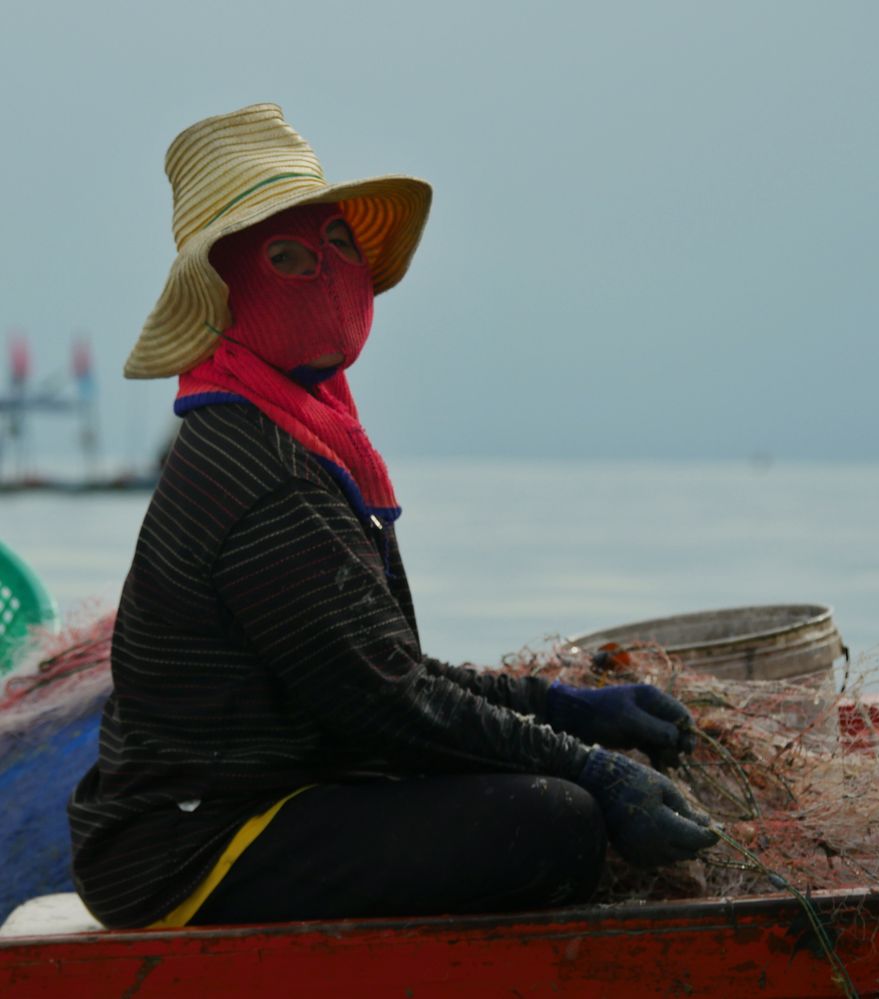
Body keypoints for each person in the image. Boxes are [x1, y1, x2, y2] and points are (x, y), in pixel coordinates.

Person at [68, 104, 717, 930]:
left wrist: (561, 704)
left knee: (542, 793)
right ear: (225, 296)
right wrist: (595, 767)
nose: (332, 276)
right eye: (291, 258)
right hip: (192, 845)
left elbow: (380, 666)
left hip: (271, 795)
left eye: (340, 245)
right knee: (557, 822)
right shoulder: (262, 473)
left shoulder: (289, 433)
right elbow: (391, 705)